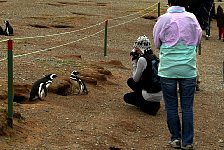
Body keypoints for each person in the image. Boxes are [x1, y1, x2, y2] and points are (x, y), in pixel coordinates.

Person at [153, 0, 202, 149]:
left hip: (168, 69)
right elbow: (198, 38)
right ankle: (187, 141)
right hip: (188, 68)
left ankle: (175, 138)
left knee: (171, 105)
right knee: (187, 106)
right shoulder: (192, 17)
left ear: (169, 2)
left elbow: (156, 42)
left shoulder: (164, 19)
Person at [123, 35, 163, 116]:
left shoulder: (142, 59)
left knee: (127, 96)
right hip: (159, 92)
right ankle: (153, 103)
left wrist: (134, 63)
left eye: (137, 49)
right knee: (131, 82)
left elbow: (135, 79)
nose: (136, 51)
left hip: (149, 92)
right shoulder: (155, 57)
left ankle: (147, 105)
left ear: (140, 48)